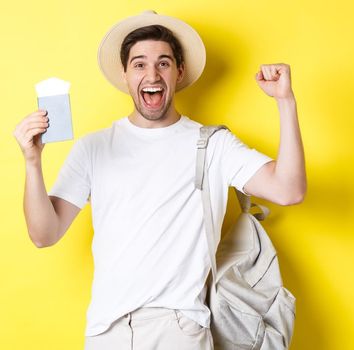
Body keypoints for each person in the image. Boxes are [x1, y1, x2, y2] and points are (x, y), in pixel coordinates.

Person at [13, 10, 306, 350]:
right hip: (106, 332)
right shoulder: (93, 148)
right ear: (125, 74)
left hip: (179, 330)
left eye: (163, 63)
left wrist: (285, 101)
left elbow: (289, 190)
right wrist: (32, 162)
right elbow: (43, 234)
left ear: (179, 72)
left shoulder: (213, 144)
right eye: (139, 64)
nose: (151, 73)